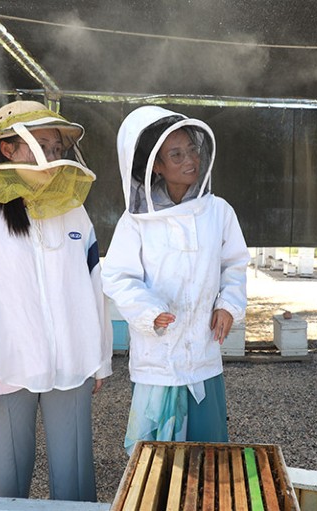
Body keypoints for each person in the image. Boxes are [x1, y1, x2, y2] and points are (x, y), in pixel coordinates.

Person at [0, 100, 112, 501]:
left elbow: (94, 287)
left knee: (76, 484)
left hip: (72, 365)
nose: (52, 157)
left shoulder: (74, 214)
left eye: (56, 148)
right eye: (42, 146)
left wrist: (99, 357)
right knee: (8, 487)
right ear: (8, 149)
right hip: (5, 367)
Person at [101, 106, 249, 455]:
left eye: (193, 150)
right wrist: (149, 312)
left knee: (207, 455)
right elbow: (118, 276)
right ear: (156, 165)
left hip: (203, 352)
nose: (190, 160)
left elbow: (235, 265)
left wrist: (228, 305)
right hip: (158, 354)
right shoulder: (136, 221)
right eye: (176, 154)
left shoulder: (219, 212)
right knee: (157, 459)